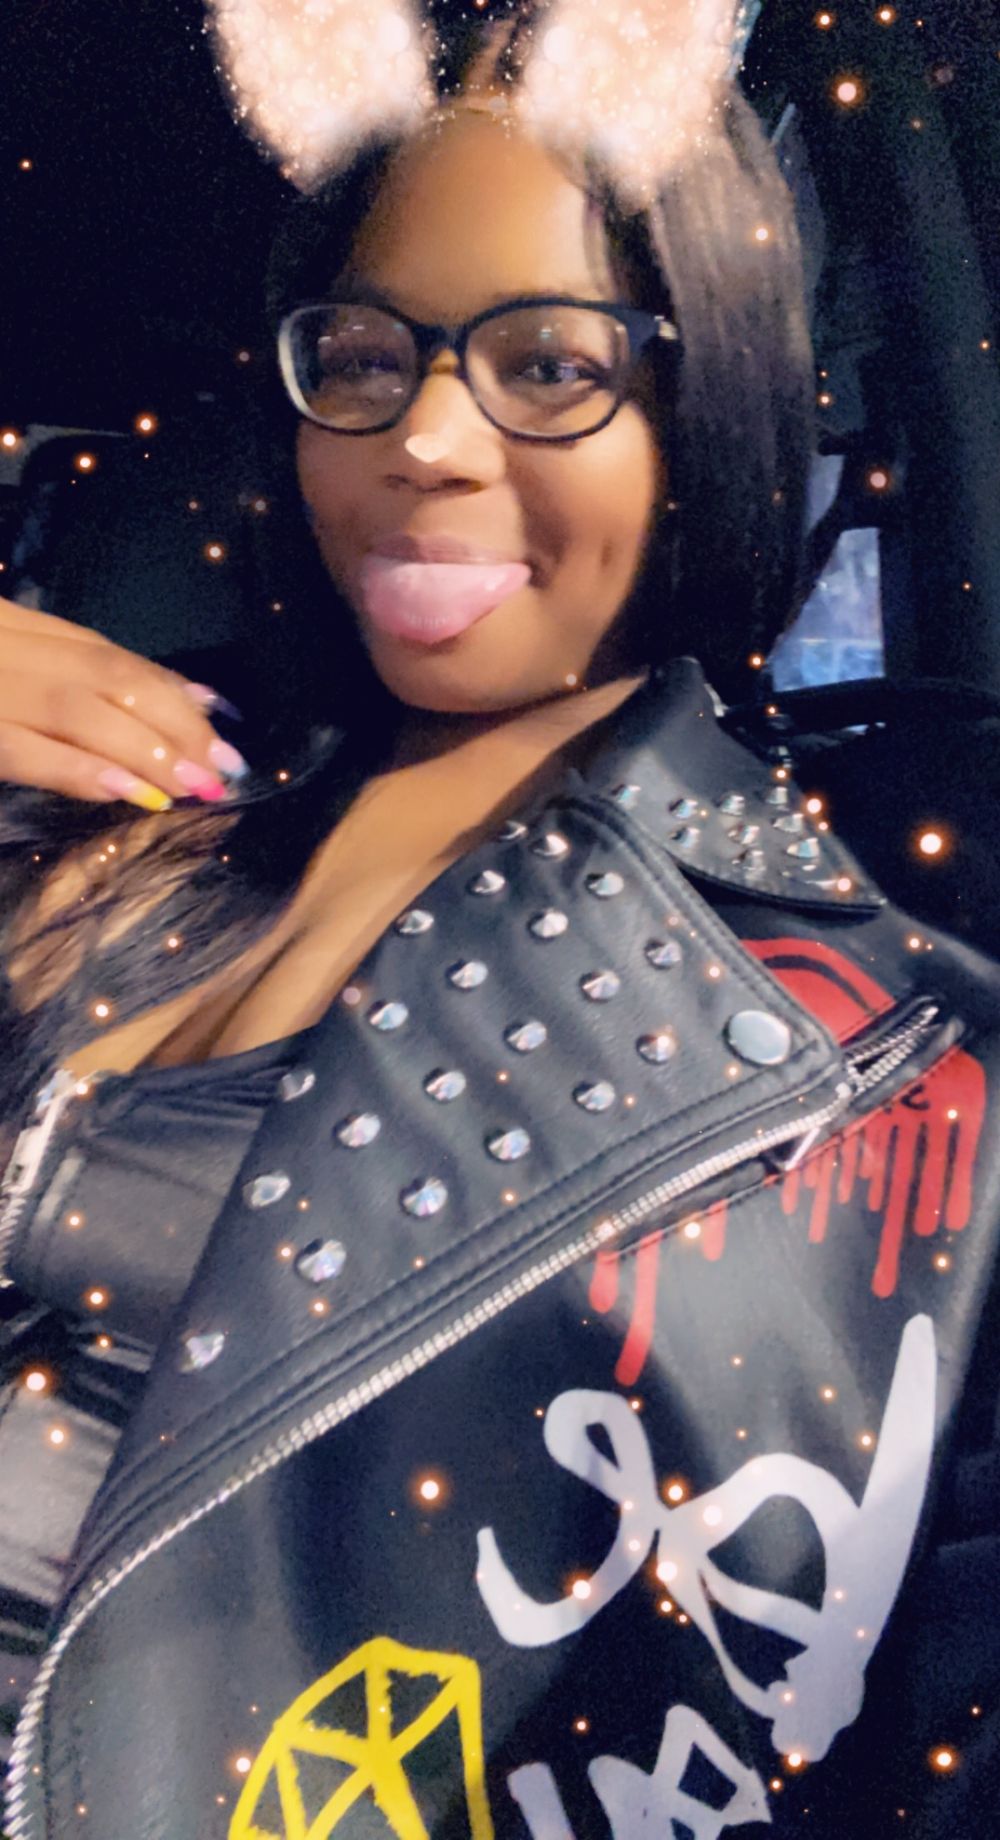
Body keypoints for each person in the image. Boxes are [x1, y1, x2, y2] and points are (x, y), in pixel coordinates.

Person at [1, 9, 999, 1837]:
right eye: (362, 358)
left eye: (547, 364)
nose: (425, 440)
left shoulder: (876, 1048)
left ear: (712, 403)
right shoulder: (126, 810)